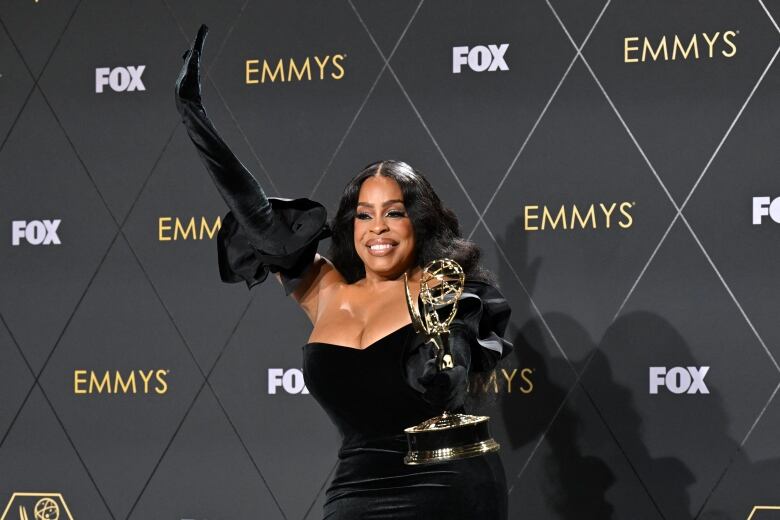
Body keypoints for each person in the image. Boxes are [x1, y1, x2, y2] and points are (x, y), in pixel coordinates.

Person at [175, 24, 514, 520]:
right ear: (348, 225)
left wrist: (448, 365)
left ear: (417, 222)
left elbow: (454, 363)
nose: (378, 228)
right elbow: (263, 224)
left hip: (445, 487)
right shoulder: (325, 289)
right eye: (364, 214)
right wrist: (196, 122)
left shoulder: (445, 286)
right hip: (355, 493)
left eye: (394, 212)